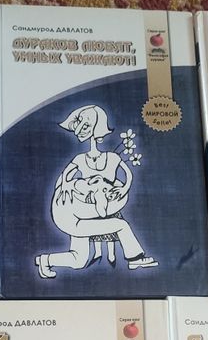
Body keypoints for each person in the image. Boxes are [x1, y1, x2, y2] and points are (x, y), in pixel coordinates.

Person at [35, 104, 156, 279]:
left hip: (84, 215)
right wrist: (66, 184)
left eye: (86, 125)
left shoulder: (112, 158)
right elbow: (64, 177)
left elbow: (128, 175)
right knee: (121, 225)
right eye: (80, 124)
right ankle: (135, 258)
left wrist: (124, 188)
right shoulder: (80, 160)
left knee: (79, 260)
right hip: (73, 217)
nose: (80, 130)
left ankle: (45, 260)